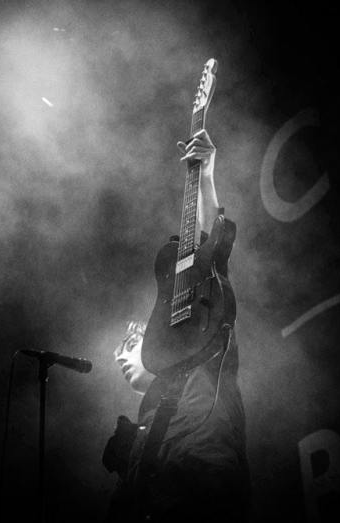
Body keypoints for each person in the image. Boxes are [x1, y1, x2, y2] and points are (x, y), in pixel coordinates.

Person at [102, 130, 251, 522]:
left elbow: (210, 259)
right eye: (121, 347)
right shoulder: (147, 416)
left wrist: (204, 178)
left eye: (131, 340)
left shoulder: (203, 352)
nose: (120, 353)